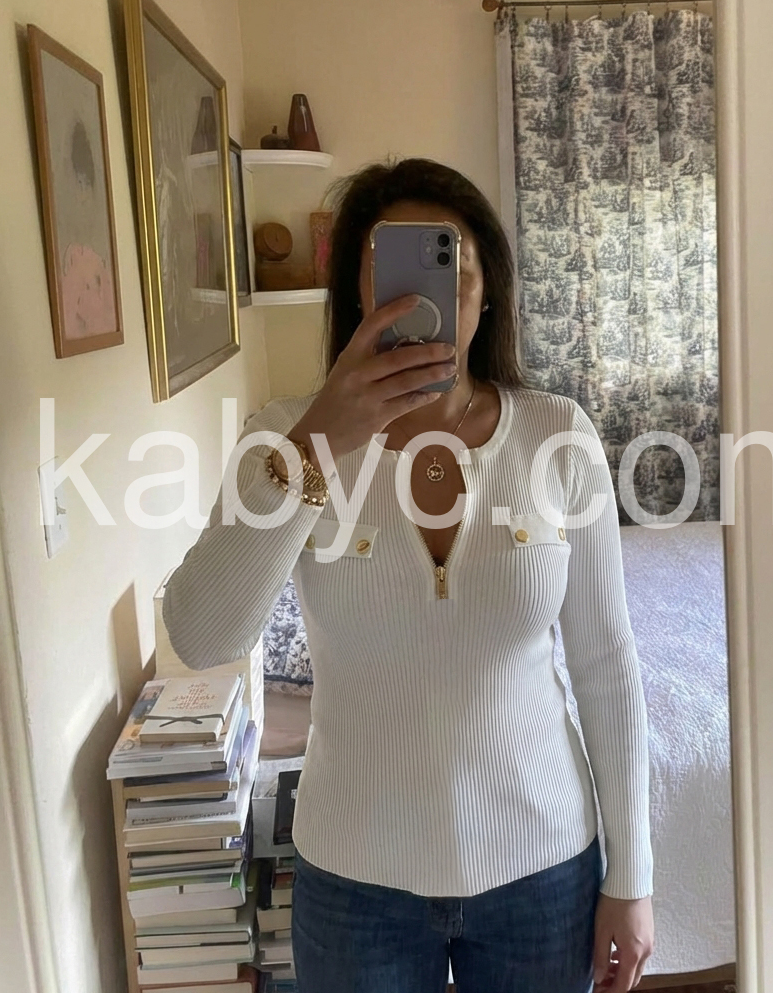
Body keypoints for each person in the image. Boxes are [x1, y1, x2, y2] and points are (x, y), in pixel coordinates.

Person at [162, 158, 655, 993]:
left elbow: (606, 663)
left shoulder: (556, 435)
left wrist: (632, 877)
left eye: (454, 266)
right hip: (355, 882)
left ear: (487, 293)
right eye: (392, 269)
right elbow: (203, 636)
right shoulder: (286, 436)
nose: (429, 296)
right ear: (359, 294)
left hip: (543, 869)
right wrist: (319, 444)